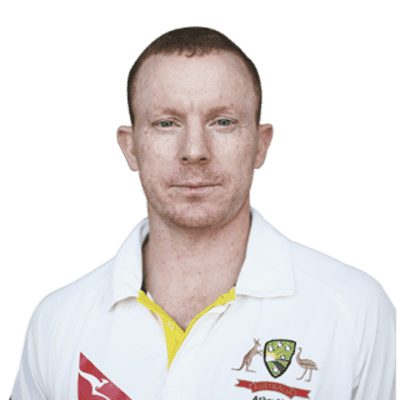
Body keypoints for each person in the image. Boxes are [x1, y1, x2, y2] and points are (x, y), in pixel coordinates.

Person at [10, 26, 396, 400]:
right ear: (130, 149)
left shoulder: (353, 309)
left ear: (261, 145)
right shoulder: (57, 321)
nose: (194, 150)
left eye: (222, 122)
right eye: (166, 123)